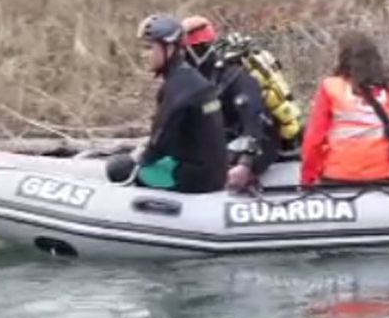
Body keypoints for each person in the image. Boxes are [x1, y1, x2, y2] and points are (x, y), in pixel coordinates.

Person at [105, 13, 228, 193]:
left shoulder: (177, 88)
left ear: (169, 48)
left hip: (196, 178)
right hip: (211, 171)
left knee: (118, 167)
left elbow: (159, 142)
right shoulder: (189, 79)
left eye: (149, 48)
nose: (143, 55)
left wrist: (137, 161)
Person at [300, 32, 389, 185]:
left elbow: (314, 139)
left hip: (336, 176)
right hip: (383, 176)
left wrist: (307, 178)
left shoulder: (330, 88)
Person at [180, 15, 280, 191]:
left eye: (183, 51)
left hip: (258, 145)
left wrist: (245, 163)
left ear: (197, 49)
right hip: (225, 141)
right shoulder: (200, 78)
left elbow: (255, 123)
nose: (181, 58)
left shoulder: (234, 76)